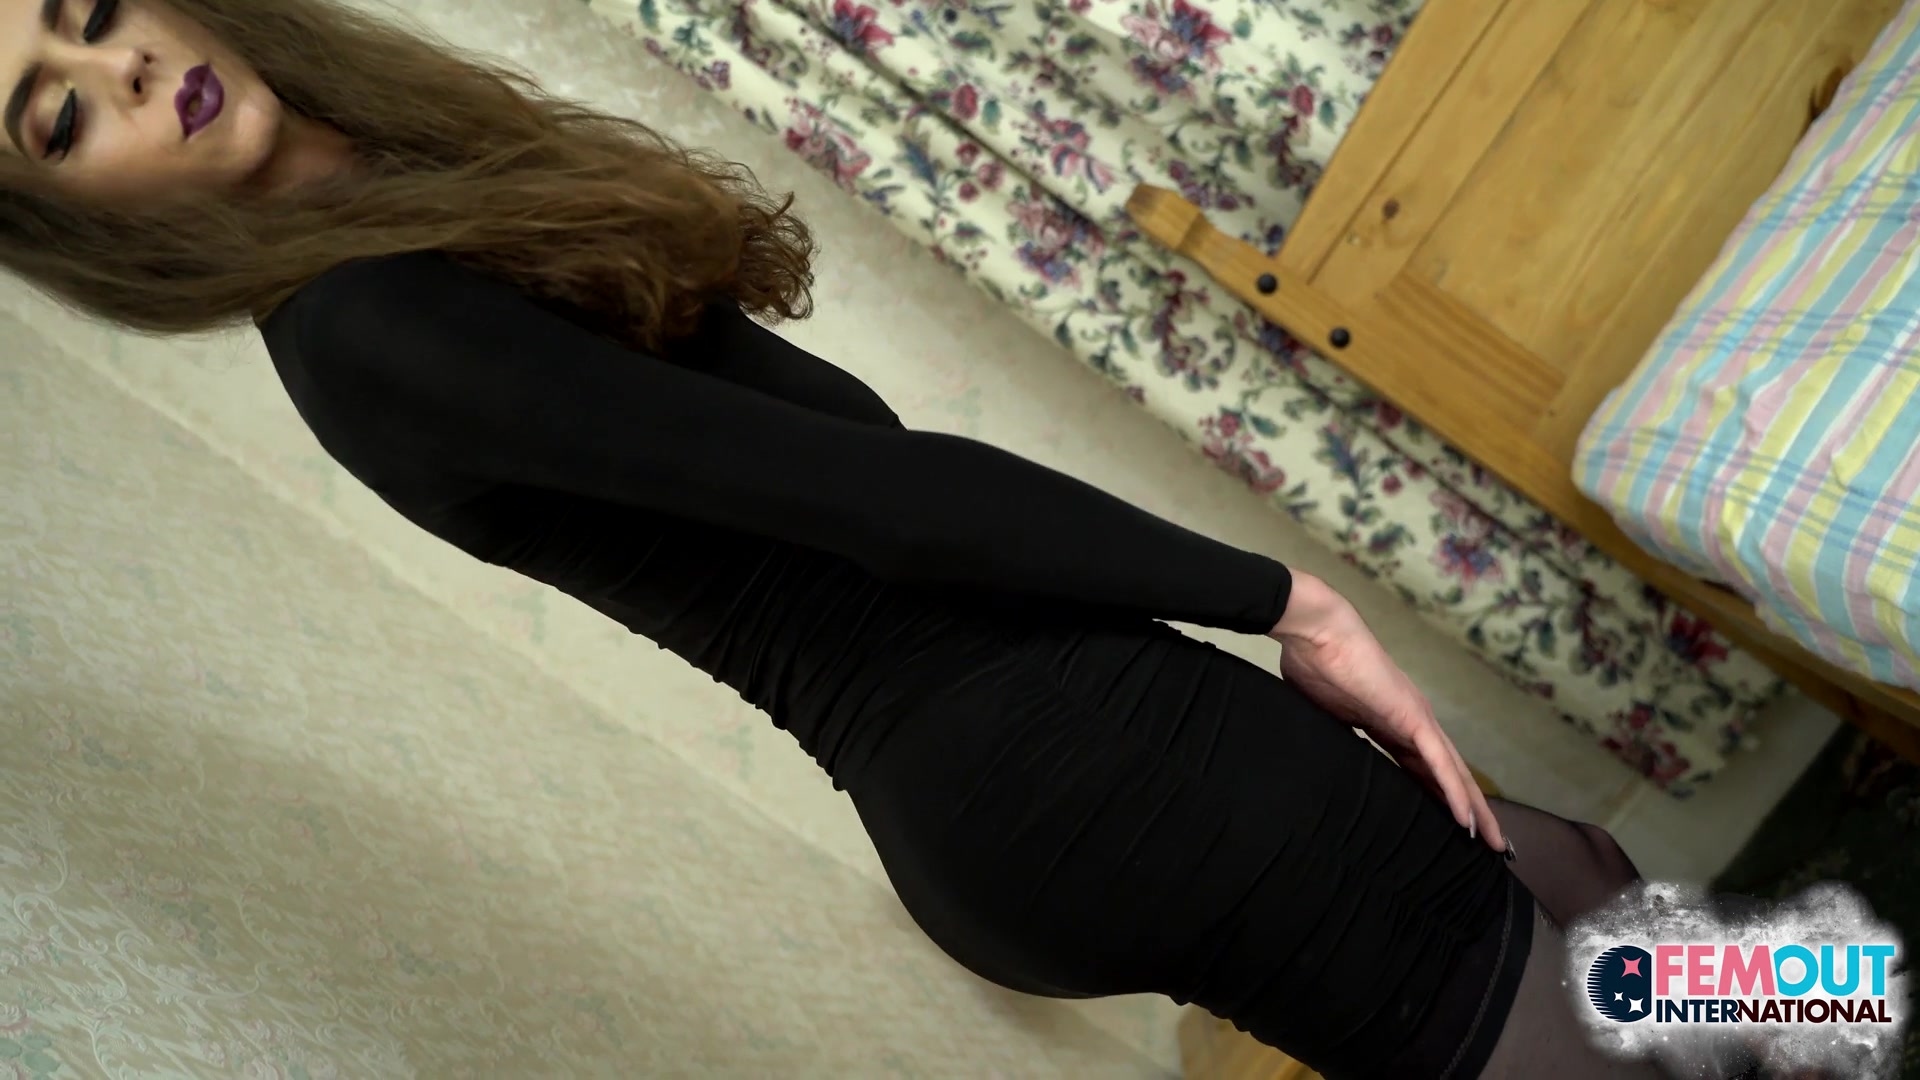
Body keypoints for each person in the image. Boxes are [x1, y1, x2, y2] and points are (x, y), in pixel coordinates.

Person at [1, 2, 1755, 1077]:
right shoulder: (367, 328)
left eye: (89, 9)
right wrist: (1290, 600)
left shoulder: (398, 228)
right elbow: (881, 507)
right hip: (1050, 762)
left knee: (1589, 897)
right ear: (68, 218)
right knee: (1578, 996)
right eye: (58, 112)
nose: (122, 63)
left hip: (1037, 745)